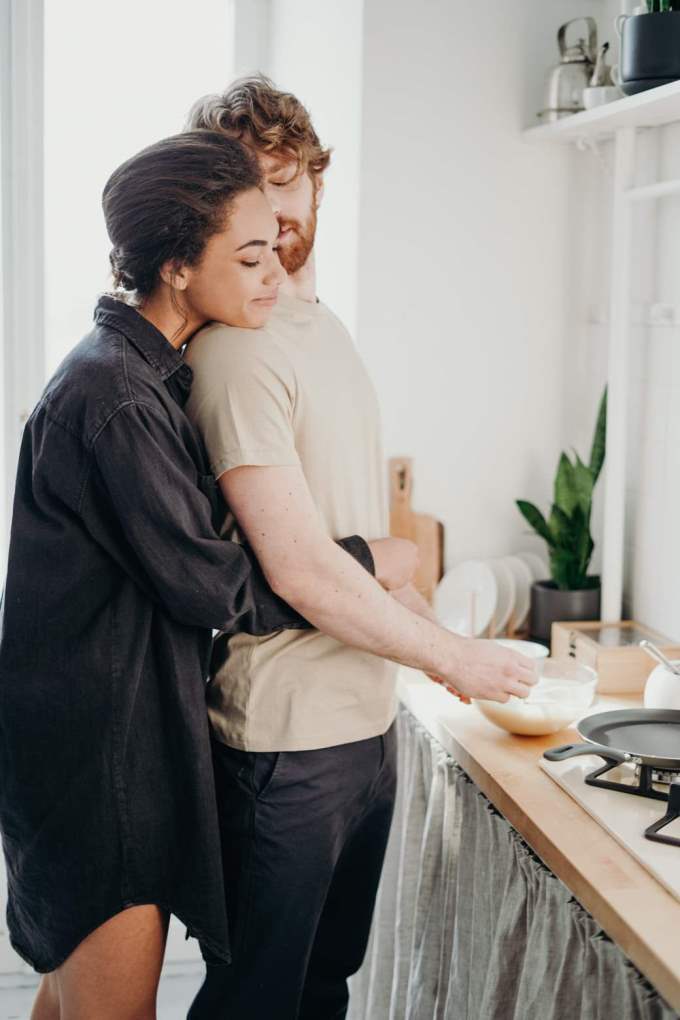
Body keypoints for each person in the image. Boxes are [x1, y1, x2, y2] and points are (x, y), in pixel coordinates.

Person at [0, 130, 394, 1020]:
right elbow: (214, 586)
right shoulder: (115, 399)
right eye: (250, 255)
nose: (273, 272)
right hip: (98, 767)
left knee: (66, 1002)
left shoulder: (136, 374)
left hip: (91, 743)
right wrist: (370, 564)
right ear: (177, 267)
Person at [183, 78, 536, 1020]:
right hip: (283, 743)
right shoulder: (235, 350)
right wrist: (452, 657)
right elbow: (295, 569)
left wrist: (424, 638)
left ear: (316, 186)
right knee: (256, 999)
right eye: (251, 188)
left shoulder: (315, 324)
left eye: (290, 183)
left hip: (364, 724)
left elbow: (344, 522)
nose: (279, 210)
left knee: (324, 988)